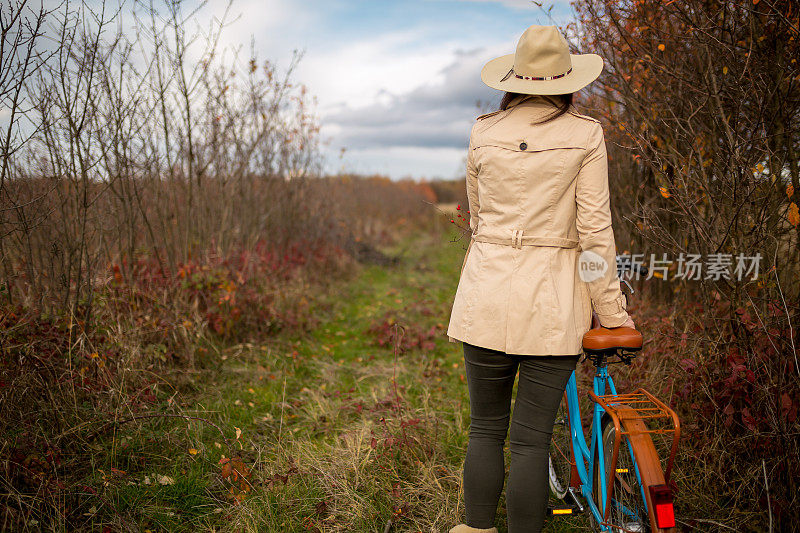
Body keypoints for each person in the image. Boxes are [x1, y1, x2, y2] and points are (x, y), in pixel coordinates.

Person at [445, 24, 636, 533]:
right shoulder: (584, 134)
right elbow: (594, 234)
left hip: (485, 294)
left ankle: (474, 528)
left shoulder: (484, 131)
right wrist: (613, 315)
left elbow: (479, 219)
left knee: (485, 430)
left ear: (513, 77)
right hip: (551, 307)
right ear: (567, 80)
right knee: (529, 440)